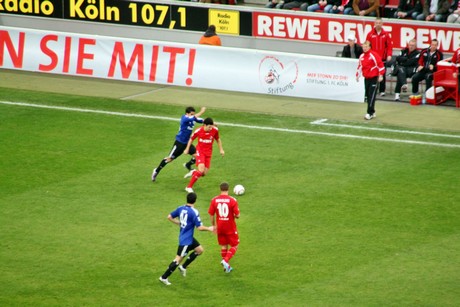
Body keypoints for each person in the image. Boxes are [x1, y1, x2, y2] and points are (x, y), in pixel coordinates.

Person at [159, 192, 214, 286]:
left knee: (199, 250)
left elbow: (169, 217)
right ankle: (164, 277)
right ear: (195, 200)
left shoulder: (181, 208)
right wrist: (209, 228)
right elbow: (199, 227)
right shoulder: (194, 212)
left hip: (188, 237)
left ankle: (183, 267)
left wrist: (179, 223)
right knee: (178, 259)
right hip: (186, 241)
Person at [151, 106, 206, 182]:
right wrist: (202, 111)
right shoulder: (184, 118)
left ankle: (188, 165)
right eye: (191, 114)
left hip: (187, 143)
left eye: (193, 114)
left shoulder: (192, 118)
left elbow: (202, 121)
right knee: (169, 159)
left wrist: (213, 124)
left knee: (198, 156)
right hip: (179, 143)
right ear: (187, 113)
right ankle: (156, 171)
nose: (193, 115)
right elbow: (194, 117)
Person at [184, 117, 225, 193]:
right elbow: (191, 139)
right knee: (201, 169)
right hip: (200, 151)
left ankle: (193, 172)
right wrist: (187, 149)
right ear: (204, 125)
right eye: (209, 127)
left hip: (208, 153)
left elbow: (218, 139)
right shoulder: (198, 131)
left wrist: (221, 149)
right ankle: (188, 187)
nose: (210, 128)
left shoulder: (215, 130)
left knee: (203, 173)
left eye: (211, 127)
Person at [208, 182, 240, 273]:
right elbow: (238, 215)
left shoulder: (214, 200)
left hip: (220, 227)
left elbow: (211, 214)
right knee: (235, 245)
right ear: (228, 189)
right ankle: (225, 260)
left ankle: (226, 268)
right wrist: (235, 215)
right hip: (230, 227)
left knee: (224, 245)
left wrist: (214, 225)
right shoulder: (232, 200)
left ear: (220, 189)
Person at [356, 40, 385, 120]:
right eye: (363, 47)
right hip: (367, 78)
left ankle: (369, 113)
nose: (364, 48)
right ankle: (373, 111)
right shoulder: (361, 56)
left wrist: (381, 75)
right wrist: (357, 75)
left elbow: (380, 65)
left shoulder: (373, 55)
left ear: (369, 47)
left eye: (366, 47)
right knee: (368, 95)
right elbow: (360, 66)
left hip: (374, 78)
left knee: (372, 95)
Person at [365, 18, 393, 96]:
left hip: (382, 58)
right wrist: (368, 55)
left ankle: (382, 90)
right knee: (373, 74)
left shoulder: (386, 34)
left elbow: (389, 46)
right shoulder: (370, 34)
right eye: (377, 23)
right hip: (373, 59)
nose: (378, 24)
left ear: (382, 24)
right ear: (374, 24)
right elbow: (367, 46)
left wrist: (389, 55)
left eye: (379, 23)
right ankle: (373, 89)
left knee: (382, 74)